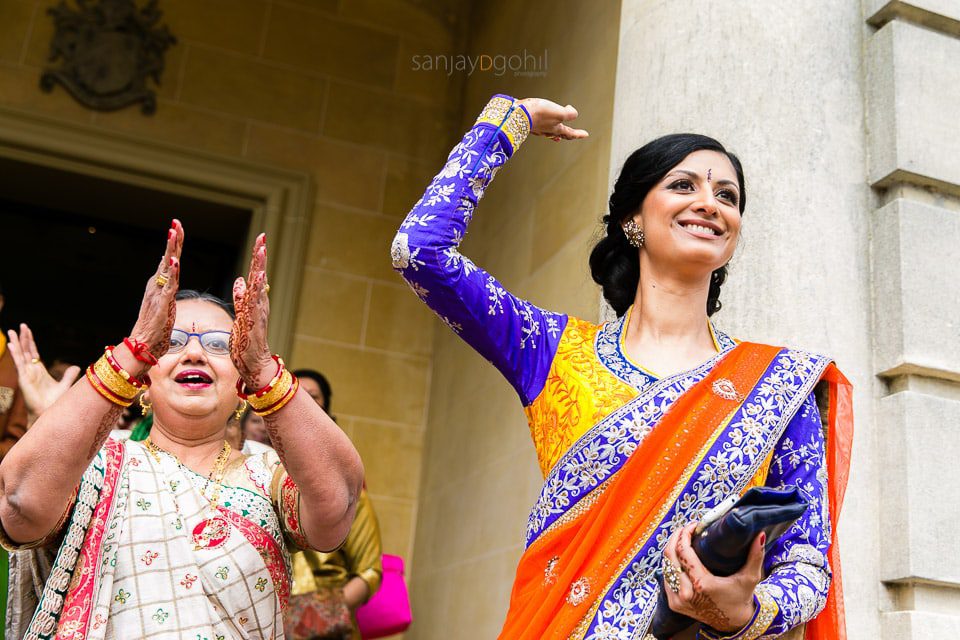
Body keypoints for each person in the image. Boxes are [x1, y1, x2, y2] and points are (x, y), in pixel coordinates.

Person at [391, 95, 853, 639]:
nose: (710, 203)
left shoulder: (779, 385)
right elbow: (419, 251)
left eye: (726, 195)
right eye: (684, 186)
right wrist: (504, 126)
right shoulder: (551, 350)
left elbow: (806, 562)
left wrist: (744, 612)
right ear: (633, 218)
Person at [0, 222, 365, 638]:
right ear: (142, 384)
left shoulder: (269, 476)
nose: (194, 352)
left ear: (243, 386)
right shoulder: (99, 465)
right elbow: (20, 504)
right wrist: (134, 347)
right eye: (169, 343)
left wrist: (265, 368)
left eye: (218, 345)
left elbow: (337, 506)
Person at [284, 368, 383, 640]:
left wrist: (314, 615)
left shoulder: (349, 490)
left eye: (311, 397)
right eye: (292, 393)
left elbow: (370, 571)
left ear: (327, 416)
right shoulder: (252, 477)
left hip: (326, 630)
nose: (300, 402)